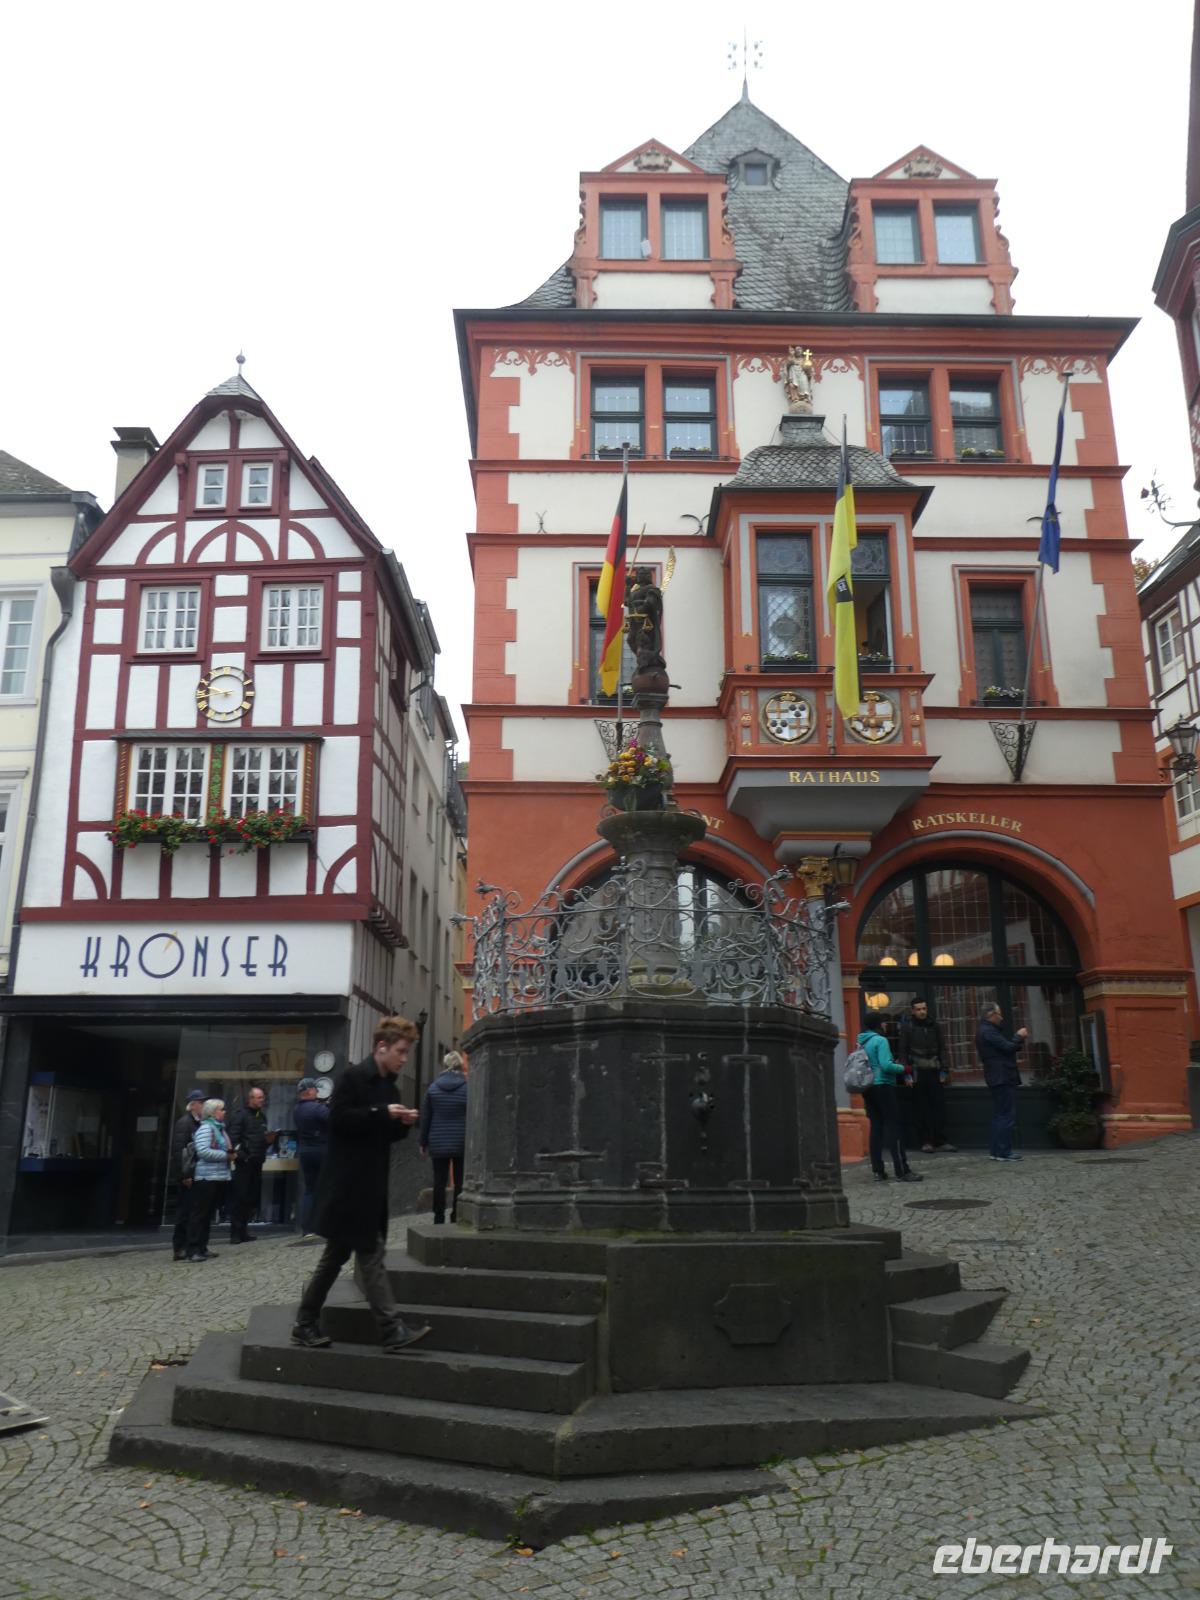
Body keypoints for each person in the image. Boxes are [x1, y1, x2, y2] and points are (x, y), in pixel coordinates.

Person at [291, 1016, 430, 1352]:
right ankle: (391, 1329)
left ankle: (305, 1323)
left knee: (335, 1256)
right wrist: (382, 1113)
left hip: (371, 1184)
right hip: (348, 1185)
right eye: (400, 1050)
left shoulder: (390, 1086)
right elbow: (339, 1121)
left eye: (407, 1051)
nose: (404, 1058)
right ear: (381, 1047)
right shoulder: (352, 1078)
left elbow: (386, 1134)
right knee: (370, 1254)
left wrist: (402, 1123)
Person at [858, 1017, 922, 1183]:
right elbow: (886, 1065)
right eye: (884, 1022)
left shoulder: (862, 1042)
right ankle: (902, 1171)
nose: (886, 1024)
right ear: (879, 1024)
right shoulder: (880, 1040)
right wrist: (904, 1068)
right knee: (893, 1126)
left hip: (868, 1087)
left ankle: (878, 1171)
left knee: (876, 1128)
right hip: (883, 1086)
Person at [898, 999, 957, 1154]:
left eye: (924, 1008)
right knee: (921, 1108)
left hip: (935, 1071)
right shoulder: (907, 1028)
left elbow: (942, 1048)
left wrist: (944, 1069)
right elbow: (902, 1051)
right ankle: (926, 1141)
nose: (922, 1012)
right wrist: (906, 1074)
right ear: (912, 1011)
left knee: (938, 1107)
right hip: (917, 1072)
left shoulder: (935, 1025)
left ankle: (941, 1140)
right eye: (918, 1009)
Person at [419, 1051, 468, 1225]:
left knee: (439, 1181)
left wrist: (423, 1142)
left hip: (438, 1142)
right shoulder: (467, 1087)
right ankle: (457, 1214)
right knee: (460, 1181)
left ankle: (438, 1217)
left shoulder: (433, 1088)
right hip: (461, 1142)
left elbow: (426, 1117)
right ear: (459, 1066)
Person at [976, 1004, 1028, 1162]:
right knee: (1006, 1115)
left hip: (998, 1076)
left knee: (1000, 1114)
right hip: (1002, 1076)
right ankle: (1003, 1151)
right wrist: (1019, 1036)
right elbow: (1007, 1047)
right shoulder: (988, 1031)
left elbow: (1006, 1048)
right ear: (991, 1015)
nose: (1002, 1017)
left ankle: (996, 1150)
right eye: (999, 1014)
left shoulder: (985, 1030)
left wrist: (1016, 1042)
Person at [227, 1085, 275, 1243]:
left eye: (263, 1097)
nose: (262, 1100)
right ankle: (235, 1232)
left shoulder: (261, 1116)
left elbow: (260, 1139)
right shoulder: (240, 1115)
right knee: (240, 1197)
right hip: (245, 1162)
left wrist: (268, 1141)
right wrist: (241, 1156)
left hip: (257, 1161)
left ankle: (243, 1230)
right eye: (259, 1097)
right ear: (251, 1098)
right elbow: (234, 1138)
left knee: (251, 1197)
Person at [186, 1099, 232, 1262]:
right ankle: (192, 1249)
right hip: (206, 1177)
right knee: (199, 1215)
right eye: (222, 1109)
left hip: (218, 1175)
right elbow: (203, 1151)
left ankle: (202, 1247)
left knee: (207, 1215)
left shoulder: (219, 1129)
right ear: (213, 1112)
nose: (224, 1112)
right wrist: (226, 1156)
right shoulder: (206, 1128)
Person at [170, 1088, 205, 1262]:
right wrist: (185, 1174)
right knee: (185, 1212)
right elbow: (180, 1151)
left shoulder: (197, 1122)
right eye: (201, 1103)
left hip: (194, 1171)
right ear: (193, 1105)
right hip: (187, 1173)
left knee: (191, 1211)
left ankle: (189, 1245)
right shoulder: (185, 1123)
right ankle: (180, 1247)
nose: (203, 1105)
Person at [293, 1077, 330, 1239]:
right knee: (325, 1188)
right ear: (309, 1091)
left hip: (305, 1151)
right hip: (321, 1150)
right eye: (315, 1089)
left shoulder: (297, 1109)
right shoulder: (317, 1108)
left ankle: (307, 1228)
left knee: (309, 1190)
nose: (317, 1091)